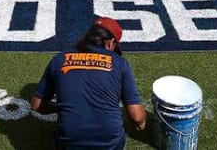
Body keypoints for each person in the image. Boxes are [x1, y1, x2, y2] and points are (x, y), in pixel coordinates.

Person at [30, 16, 146, 149]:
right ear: (110, 43)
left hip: (70, 143)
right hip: (109, 144)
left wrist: (60, 108)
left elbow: (36, 105)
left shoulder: (59, 59)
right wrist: (141, 125)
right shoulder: (120, 63)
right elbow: (137, 118)